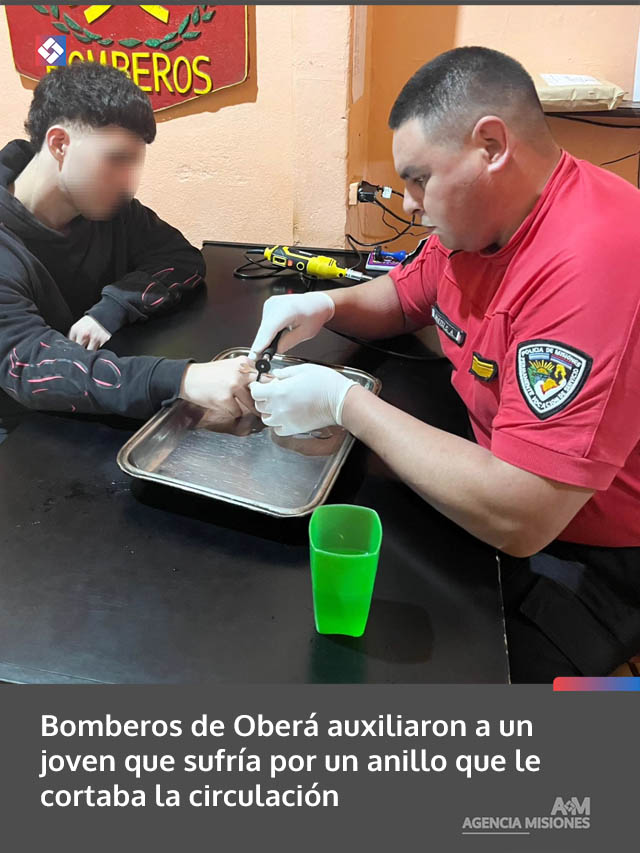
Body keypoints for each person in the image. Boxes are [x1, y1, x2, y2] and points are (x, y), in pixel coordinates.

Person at [247, 47, 640, 682]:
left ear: (491, 146)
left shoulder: (594, 262)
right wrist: (323, 305)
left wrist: (345, 403)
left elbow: (523, 514)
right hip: (493, 474)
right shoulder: (482, 223)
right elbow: (406, 296)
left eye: (419, 179)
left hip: (589, 553)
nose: (409, 203)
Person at [0, 62, 255, 443]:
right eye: (116, 160)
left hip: (103, 408)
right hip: (23, 435)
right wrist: (183, 379)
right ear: (59, 144)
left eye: (133, 163)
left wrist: (113, 308)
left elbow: (181, 258)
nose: (128, 184)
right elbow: (32, 367)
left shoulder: (110, 209)